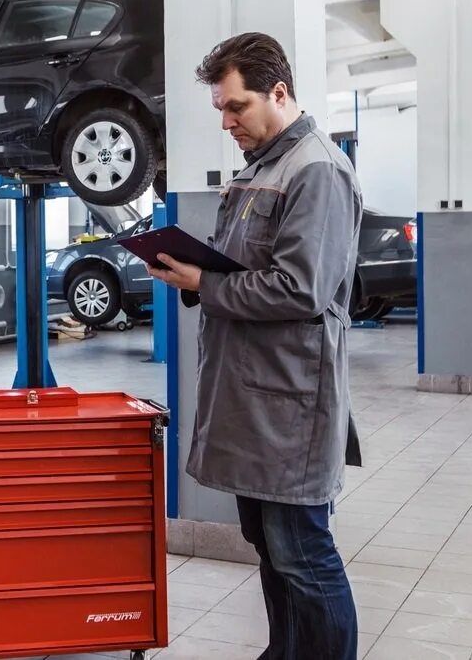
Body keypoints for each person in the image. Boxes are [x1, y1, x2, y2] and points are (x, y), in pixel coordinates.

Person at [148, 33, 362, 659]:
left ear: (279, 92)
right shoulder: (260, 168)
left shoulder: (317, 169)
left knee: (303, 553)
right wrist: (195, 273)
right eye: (221, 108)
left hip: (291, 401)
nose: (227, 122)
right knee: (270, 548)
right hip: (250, 398)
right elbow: (243, 267)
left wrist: (204, 283)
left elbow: (301, 288)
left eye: (236, 106)